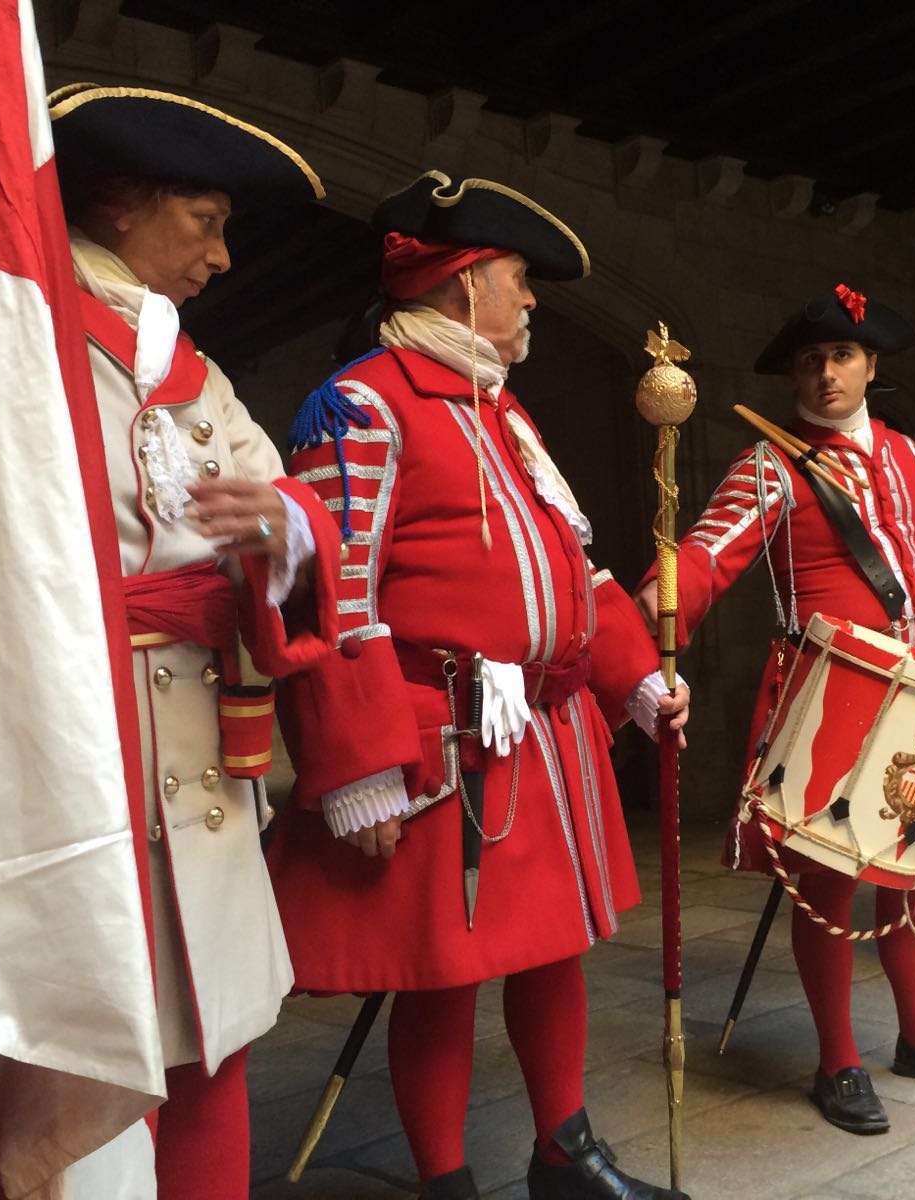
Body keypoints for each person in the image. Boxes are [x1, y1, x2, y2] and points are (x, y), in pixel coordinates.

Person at [0, 86, 344, 1198]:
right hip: (55, 746)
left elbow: (287, 497)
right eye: (205, 220)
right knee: (60, 1040)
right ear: (123, 207)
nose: (225, 256)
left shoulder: (191, 365)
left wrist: (285, 526)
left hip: (198, 768)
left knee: (205, 1038)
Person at [266, 171, 690, 1200]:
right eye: (516, 279)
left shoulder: (503, 412)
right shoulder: (361, 404)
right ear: (462, 287)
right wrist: (355, 766)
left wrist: (636, 679)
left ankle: (565, 1153)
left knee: (553, 951)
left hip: (545, 736)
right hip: (436, 741)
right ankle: (445, 1180)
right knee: (442, 979)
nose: (531, 300)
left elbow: (575, 572)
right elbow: (331, 596)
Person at [636, 283, 915, 1137]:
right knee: (829, 883)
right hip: (829, 697)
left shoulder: (908, 457)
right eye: (809, 362)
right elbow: (707, 558)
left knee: (912, 873)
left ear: (869, 365)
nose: (824, 374)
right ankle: (839, 1061)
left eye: (840, 356)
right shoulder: (769, 463)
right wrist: (657, 605)